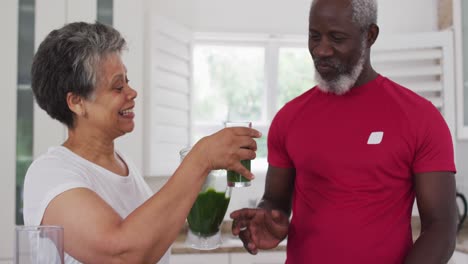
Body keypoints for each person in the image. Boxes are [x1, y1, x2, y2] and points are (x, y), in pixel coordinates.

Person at [230, 0, 458, 263]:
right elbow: (275, 201)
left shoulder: (420, 117)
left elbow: (441, 228)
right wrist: (268, 219)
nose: (322, 50)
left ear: (369, 35)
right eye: (314, 36)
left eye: (336, 38)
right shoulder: (290, 117)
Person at [23, 21, 261, 264]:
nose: (132, 92)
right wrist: (200, 159)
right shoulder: (49, 174)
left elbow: (150, 238)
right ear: (77, 102)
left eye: (127, 81)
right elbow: (122, 254)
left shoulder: (122, 164)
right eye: (118, 86)